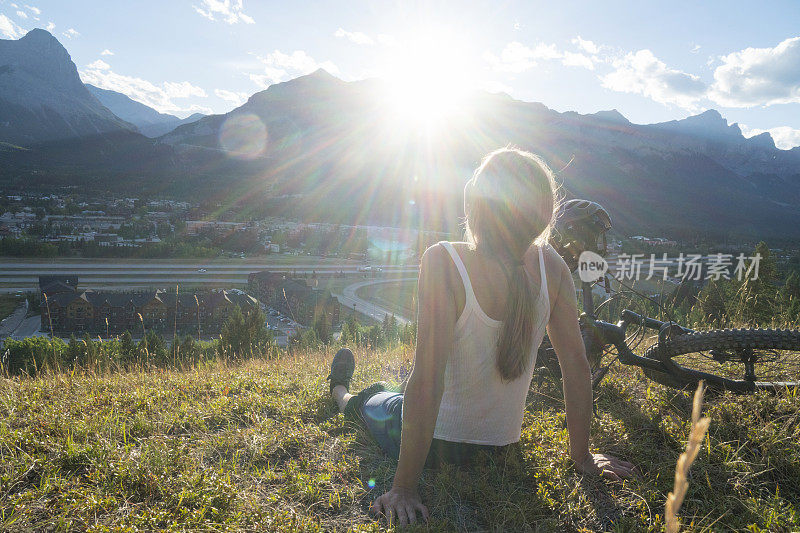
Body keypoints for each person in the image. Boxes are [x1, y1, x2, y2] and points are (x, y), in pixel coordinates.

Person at [328, 148, 636, 527]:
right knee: (391, 393)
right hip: (501, 450)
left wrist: (404, 487)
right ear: (543, 213)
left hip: (437, 448)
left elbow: (426, 380)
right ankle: (371, 389)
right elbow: (576, 367)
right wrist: (582, 456)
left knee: (362, 403)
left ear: (475, 204)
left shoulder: (444, 260)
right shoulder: (553, 267)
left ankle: (340, 388)